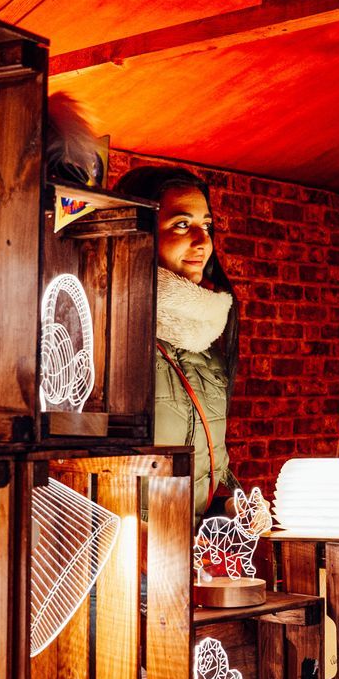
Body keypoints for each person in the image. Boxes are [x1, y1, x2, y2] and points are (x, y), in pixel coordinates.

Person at [113, 165, 238, 519]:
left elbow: (206, 469)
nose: (202, 241)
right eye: (182, 224)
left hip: (189, 544)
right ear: (139, 229)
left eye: (207, 226)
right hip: (124, 544)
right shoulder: (109, 331)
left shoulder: (207, 338)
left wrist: (226, 507)